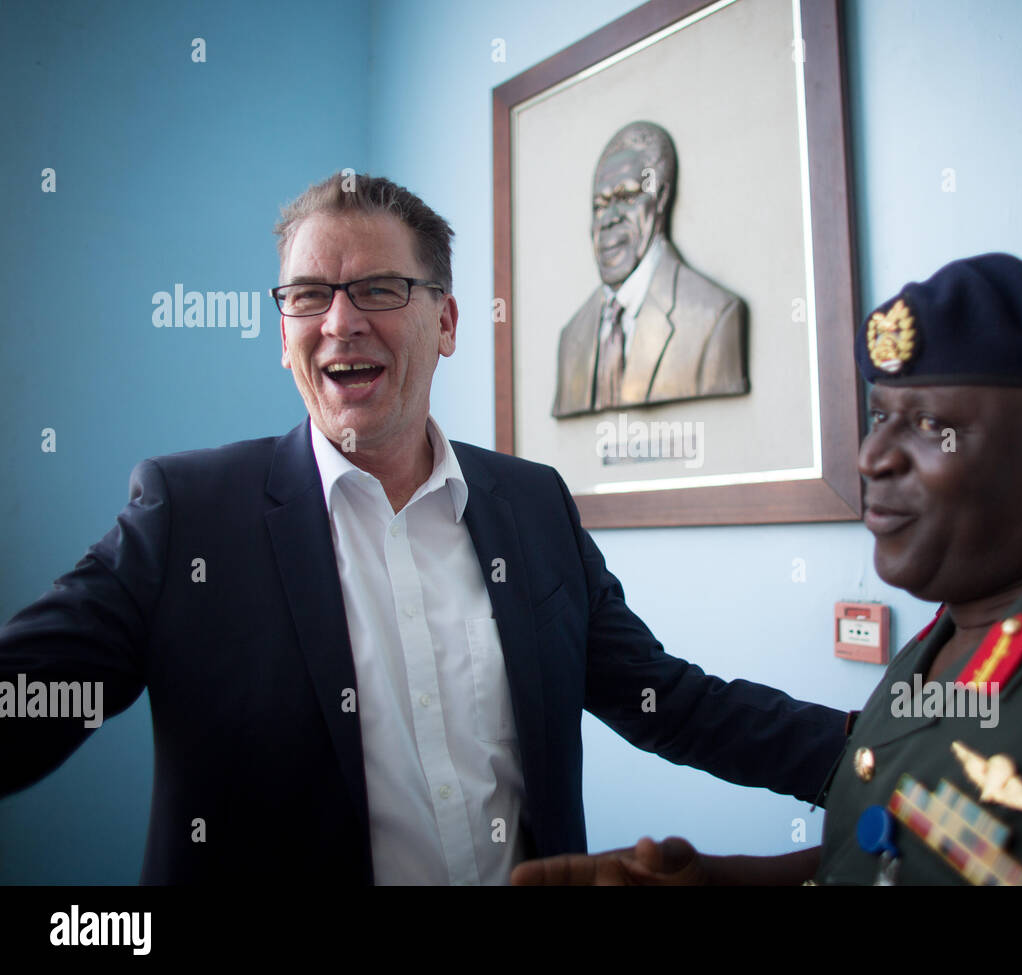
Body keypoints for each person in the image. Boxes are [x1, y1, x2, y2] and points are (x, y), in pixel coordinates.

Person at [0, 172, 848, 885]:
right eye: (307, 295)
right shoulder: (187, 515)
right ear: (284, 330)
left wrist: (881, 754)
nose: (340, 320)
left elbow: (668, 699)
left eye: (377, 289)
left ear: (445, 323)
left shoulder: (532, 504)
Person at [512, 253, 1022, 886]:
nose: (872, 457)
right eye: (881, 415)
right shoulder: (955, 633)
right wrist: (728, 879)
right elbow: (899, 848)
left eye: (931, 426)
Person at [551, 120, 749, 417]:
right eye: (600, 205)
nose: (608, 219)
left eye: (627, 198)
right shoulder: (572, 337)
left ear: (661, 199)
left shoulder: (715, 317)